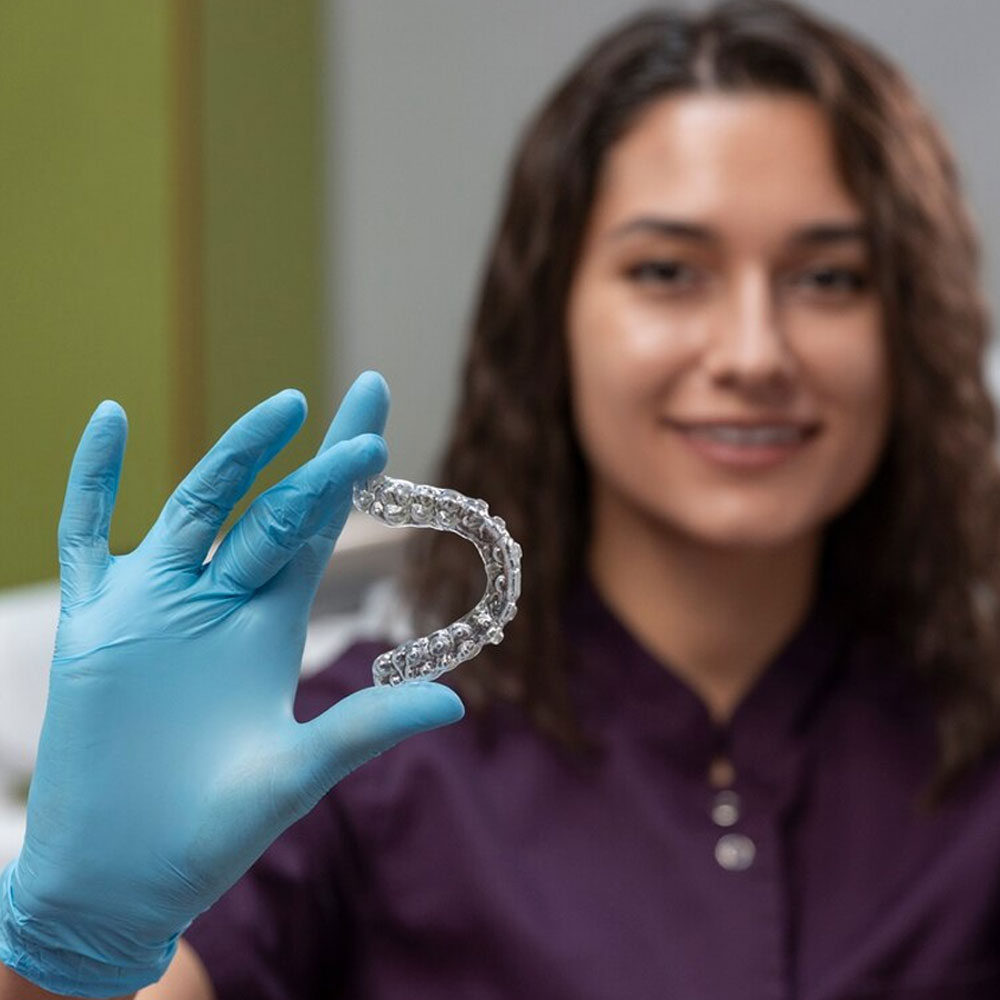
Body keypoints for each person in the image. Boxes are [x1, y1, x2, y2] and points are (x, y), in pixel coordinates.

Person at [3, 0, 1000, 996]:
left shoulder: (975, 760)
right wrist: (71, 942)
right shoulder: (360, 754)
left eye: (828, 277)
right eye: (666, 271)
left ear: (910, 323)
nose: (751, 353)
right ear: (550, 314)